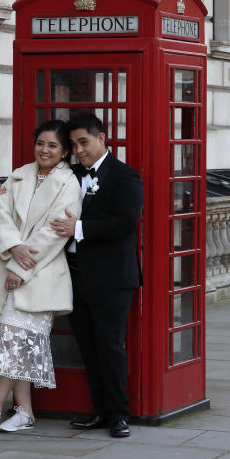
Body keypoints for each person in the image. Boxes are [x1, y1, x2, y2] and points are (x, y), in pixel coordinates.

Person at [0, 120, 81, 435]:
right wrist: (14, 247)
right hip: (5, 267)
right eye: (40, 143)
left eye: (52, 145)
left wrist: (20, 265)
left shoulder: (69, 185)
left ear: (63, 152)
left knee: (12, 341)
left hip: (37, 273)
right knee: (13, 343)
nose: (44, 150)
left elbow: (54, 233)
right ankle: (24, 411)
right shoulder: (19, 174)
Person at [49, 113, 143, 438]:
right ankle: (100, 411)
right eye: (73, 144)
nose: (78, 150)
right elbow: (37, 184)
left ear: (102, 138)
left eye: (83, 142)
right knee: (87, 348)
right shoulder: (71, 174)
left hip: (113, 278)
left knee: (110, 347)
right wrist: (3, 194)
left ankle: (118, 414)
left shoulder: (125, 176)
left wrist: (78, 228)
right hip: (75, 276)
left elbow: (126, 223)